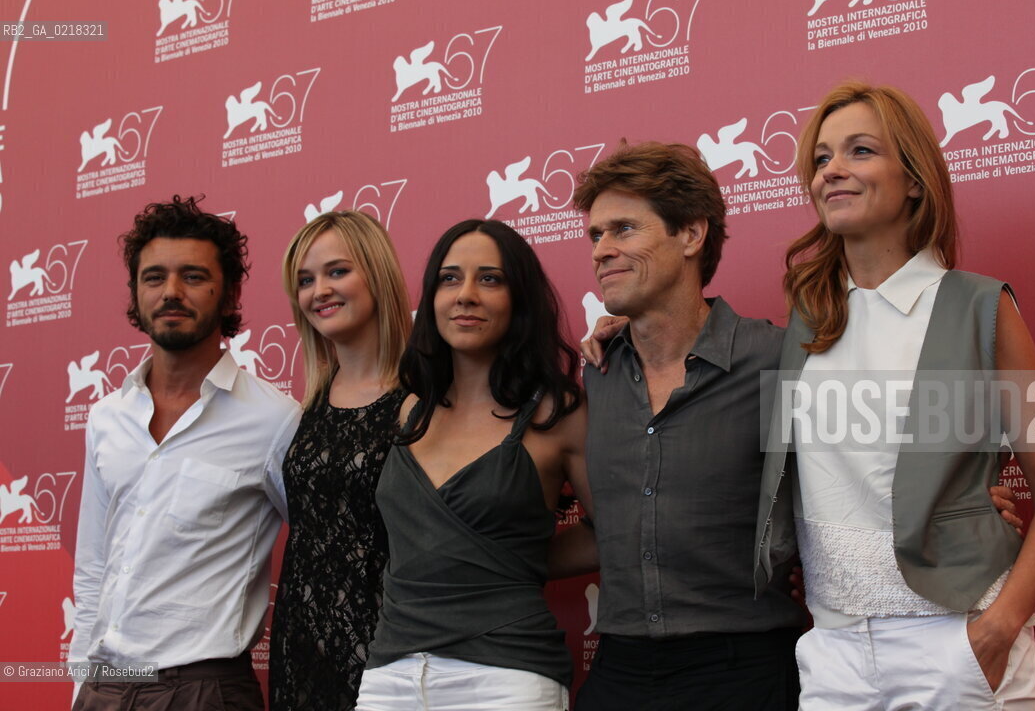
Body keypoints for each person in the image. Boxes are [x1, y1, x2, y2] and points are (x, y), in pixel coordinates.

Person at [754, 82, 1035, 710]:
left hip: (957, 640)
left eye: (860, 151)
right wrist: (621, 330)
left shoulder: (981, 307)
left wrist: (999, 627)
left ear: (913, 180)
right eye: (821, 159)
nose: (833, 171)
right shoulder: (805, 319)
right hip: (835, 653)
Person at [572, 142, 805, 711]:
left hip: (744, 669)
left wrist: (967, 502)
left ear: (692, 235)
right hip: (618, 668)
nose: (602, 251)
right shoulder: (596, 373)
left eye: (623, 229)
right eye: (595, 235)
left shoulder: (779, 359)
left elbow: (864, 476)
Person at [70, 195, 301, 710]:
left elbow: (317, 556)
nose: (171, 292)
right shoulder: (107, 417)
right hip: (102, 688)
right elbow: (92, 567)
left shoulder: (275, 420)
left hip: (205, 689)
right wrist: (81, 684)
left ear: (229, 292)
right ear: (136, 292)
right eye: (154, 278)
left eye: (193, 277)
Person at [354, 219, 592, 711]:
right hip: (390, 677)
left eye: (489, 278)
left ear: (519, 299)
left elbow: (620, 532)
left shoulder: (558, 413)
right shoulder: (408, 411)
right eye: (449, 278)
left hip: (505, 678)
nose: (465, 295)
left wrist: (509, 560)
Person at [270, 211, 413, 710]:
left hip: (397, 655)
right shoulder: (304, 409)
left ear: (376, 273)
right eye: (305, 280)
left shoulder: (429, 394)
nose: (319, 291)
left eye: (337, 271)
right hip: (302, 649)